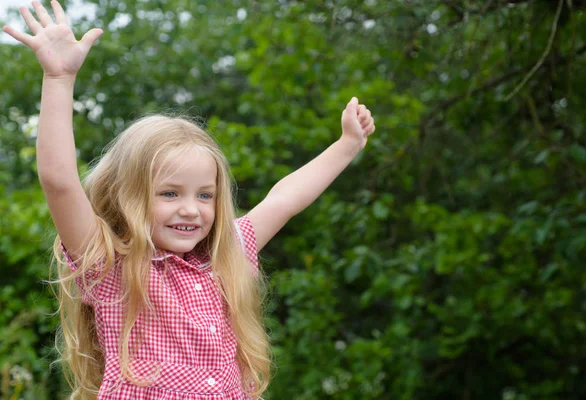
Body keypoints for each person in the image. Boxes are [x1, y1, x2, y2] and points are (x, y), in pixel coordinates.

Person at [3, 1, 376, 399]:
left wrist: (347, 145)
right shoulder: (110, 265)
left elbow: (283, 199)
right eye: (169, 193)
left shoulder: (226, 256)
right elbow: (60, 181)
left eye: (205, 195)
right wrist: (58, 78)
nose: (191, 209)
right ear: (127, 195)